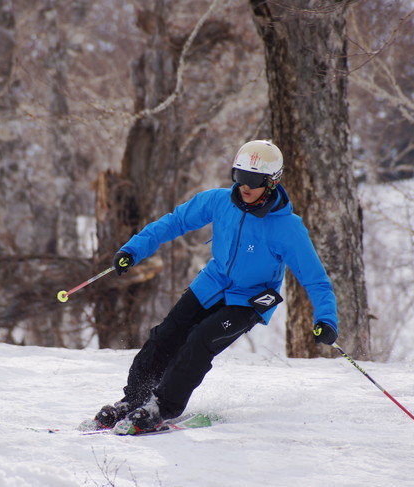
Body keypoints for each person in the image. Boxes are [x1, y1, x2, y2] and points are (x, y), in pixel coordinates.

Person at [88, 140, 339, 435]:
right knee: (166, 335)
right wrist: (133, 250)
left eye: (254, 180)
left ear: (272, 182)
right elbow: (174, 222)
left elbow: (315, 279)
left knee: (200, 340)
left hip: (249, 300)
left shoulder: (288, 228)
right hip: (212, 283)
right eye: (239, 176)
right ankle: (135, 399)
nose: (244, 186)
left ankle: (162, 407)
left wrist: (326, 319)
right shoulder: (219, 202)